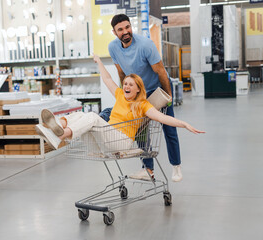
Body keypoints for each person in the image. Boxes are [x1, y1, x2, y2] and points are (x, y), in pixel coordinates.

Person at [35, 55, 204, 170]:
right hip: (106, 139)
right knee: (82, 114)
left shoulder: (143, 105)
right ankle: (58, 127)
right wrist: (99, 61)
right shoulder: (119, 95)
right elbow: (107, 78)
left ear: (138, 89)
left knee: (93, 116)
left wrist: (184, 124)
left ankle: (60, 134)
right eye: (125, 84)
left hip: (121, 142)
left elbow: (163, 118)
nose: (126, 87)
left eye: (131, 85)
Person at [103, 13, 184, 182]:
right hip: (139, 93)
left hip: (157, 88)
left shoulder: (145, 45)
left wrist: (168, 97)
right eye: (120, 29)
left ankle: (176, 166)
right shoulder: (113, 48)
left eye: (127, 27)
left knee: (168, 127)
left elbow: (161, 71)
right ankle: (148, 169)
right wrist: (125, 96)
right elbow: (121, 72)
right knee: (139, 129)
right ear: (114, 32)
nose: (125, 31)